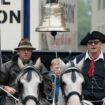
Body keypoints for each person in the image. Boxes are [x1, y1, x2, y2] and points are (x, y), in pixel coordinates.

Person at [51, 31, 105, 105]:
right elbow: (65, 73)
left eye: (96, 42)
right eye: (90, 43)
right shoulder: (77, 60)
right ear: (87, 45)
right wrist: (57, 69)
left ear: (100, 44)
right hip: (82, 100)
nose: (93, 44)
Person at [0, 38, 52, 105]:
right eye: (23, 50)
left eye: (28, 50)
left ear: (31, 52)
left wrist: (38, 92)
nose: (26, 52)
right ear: (18, 51)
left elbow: (48, 85)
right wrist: (5, 88)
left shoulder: (40, 66)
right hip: (12, 100)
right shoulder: (7, 66)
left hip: (36, 100)